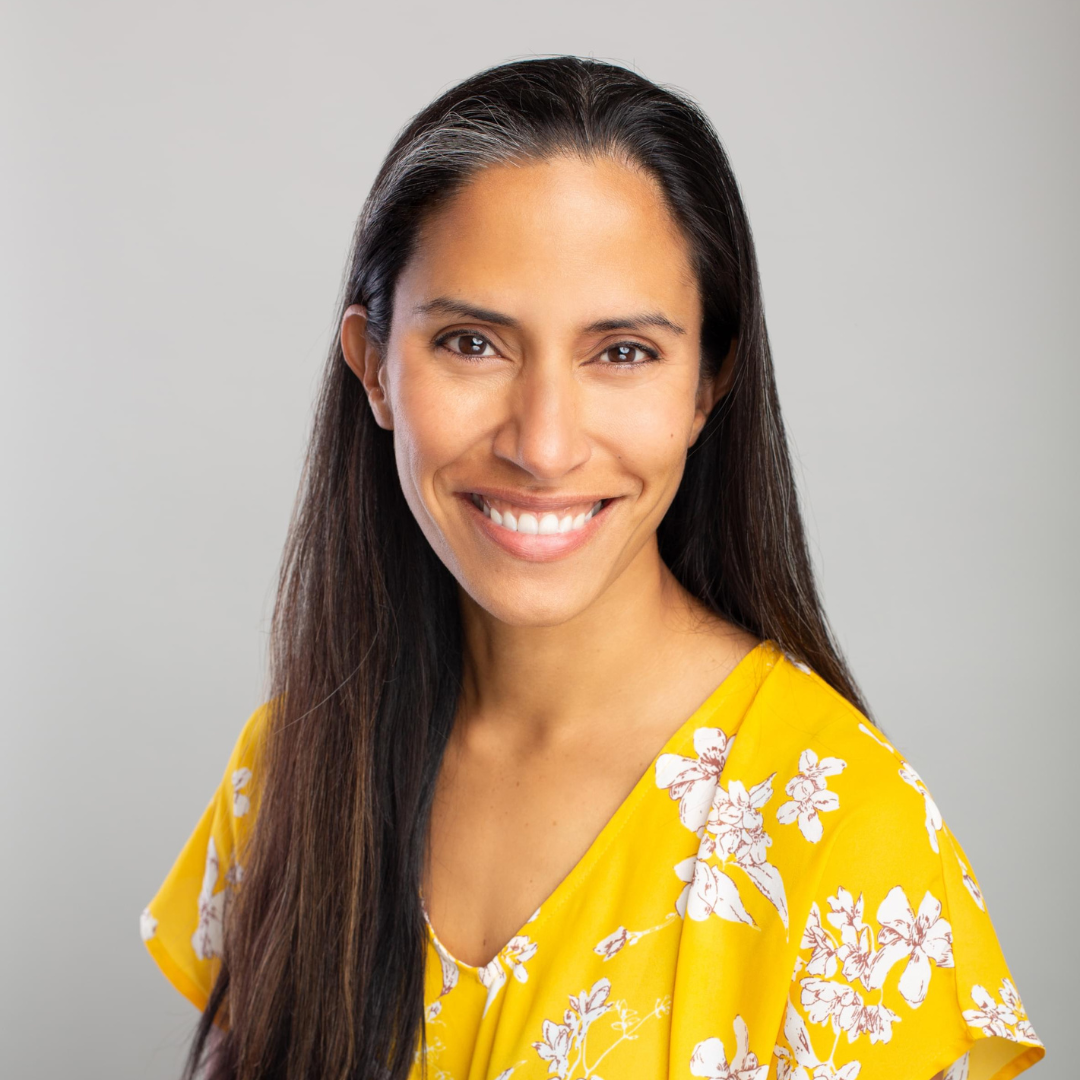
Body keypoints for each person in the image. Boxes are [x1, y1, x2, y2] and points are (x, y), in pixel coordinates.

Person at [141, 56, 1045, 1080]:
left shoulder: (842, 836)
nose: (545, 444)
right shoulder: (292, 768)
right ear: (374, 367)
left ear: (712, 384)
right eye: (473, 343)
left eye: (621, 352)